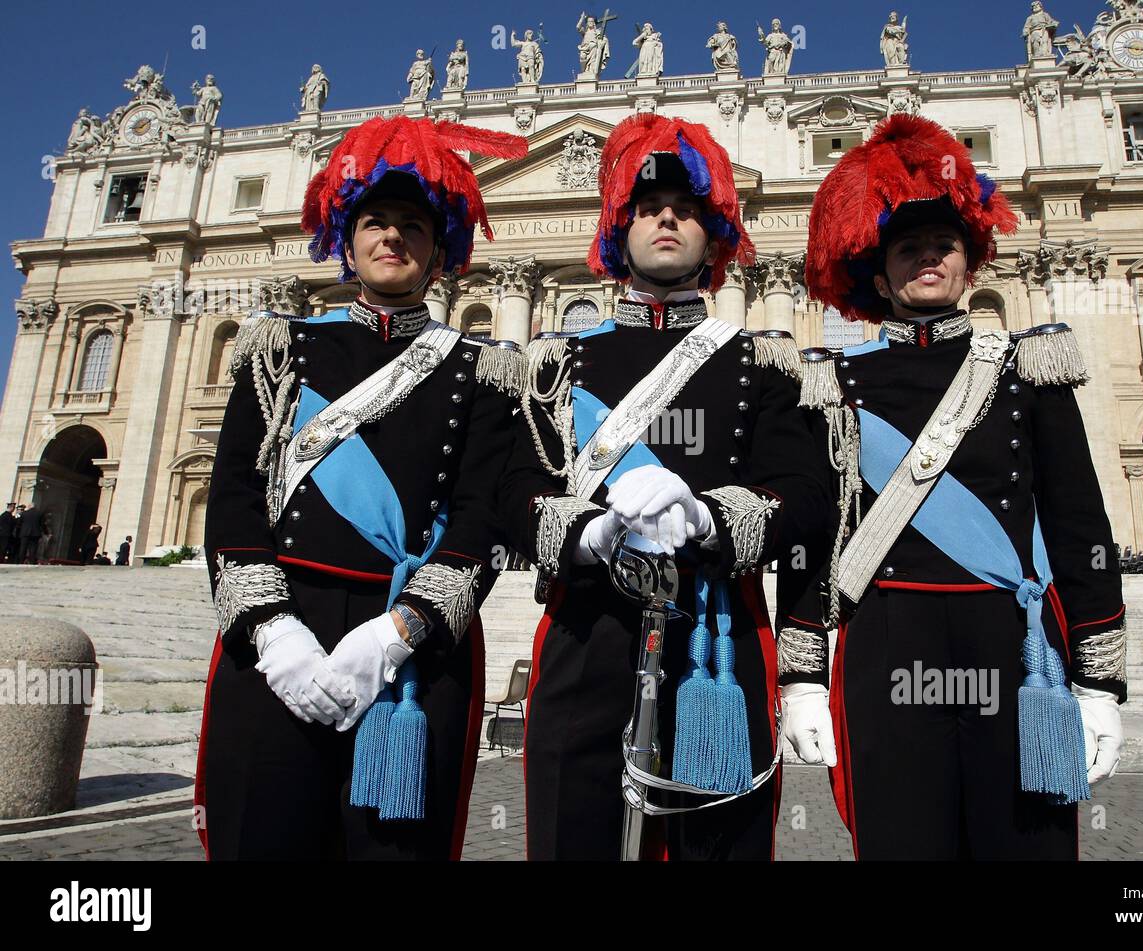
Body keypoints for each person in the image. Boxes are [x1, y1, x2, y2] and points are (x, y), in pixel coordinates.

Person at [195, 115, 528, 861]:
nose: (392, 238)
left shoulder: (483, 372)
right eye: (375, 222)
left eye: (413, 225)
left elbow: (485, 516)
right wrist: (274, 634)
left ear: (440, 252)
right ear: (346, 242)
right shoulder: (282, 347)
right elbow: (236, 494)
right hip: (279, 627)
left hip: (409, 648)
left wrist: (397, 633)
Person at [795, 114, 1127, 860]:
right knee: (901, 839)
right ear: (880, 276)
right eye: (908, 247)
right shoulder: (837, 381)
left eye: (943, 244)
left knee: (1024, 843)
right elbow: (819, 535)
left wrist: (1101, 681)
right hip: (887, 638)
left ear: (969, 263)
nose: (928, 258)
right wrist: (802, 673)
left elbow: (1080, 524)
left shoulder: (1026, 365)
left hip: (1012, 644)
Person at [502, 113, 833, 860]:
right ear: (619, 230)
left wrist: (712, 517)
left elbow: (806, 493)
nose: (667, 219)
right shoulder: (559, 362)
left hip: (716, 642)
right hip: (587, 637)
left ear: (713, 239)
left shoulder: (763, 362)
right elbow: (514, 484)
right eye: (649, 209)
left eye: (685, 210)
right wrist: (582, 530)